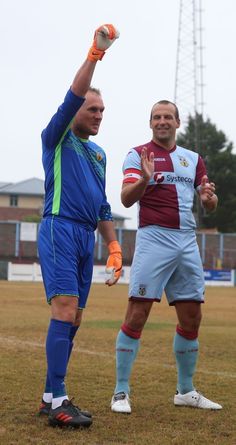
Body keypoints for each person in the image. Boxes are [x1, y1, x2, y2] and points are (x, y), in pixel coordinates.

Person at [111, 99, 222, 414]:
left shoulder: (193, 159)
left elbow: (208, 201)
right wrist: (145, 179)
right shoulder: (138, 155)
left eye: (167, 117)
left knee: (192, 317)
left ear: (177, 122)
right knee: (137, 313)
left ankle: (185, 391)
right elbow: (126, 198)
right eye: (156, 117)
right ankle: (120, 392)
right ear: (151, 123)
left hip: (187, 242)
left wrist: (209, 198)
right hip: (153, 239)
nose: (162, 121)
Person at [37, 24, 122, 429]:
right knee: (65, 310)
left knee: (76, 319)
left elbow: (103, 205)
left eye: (102, 110)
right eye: (92, 109)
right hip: (59, 230)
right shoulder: (56, 138)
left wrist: (114, 248)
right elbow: (73, 96)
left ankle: (50, 395)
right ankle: (59, 403)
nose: (98, 115)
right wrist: (95, 54)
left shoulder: (100, 154)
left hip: (87, 237)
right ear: (75, 113)